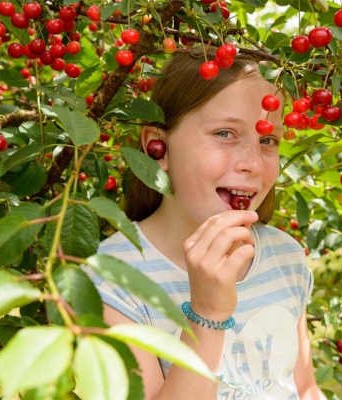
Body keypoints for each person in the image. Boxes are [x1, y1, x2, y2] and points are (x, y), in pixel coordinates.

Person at [83, 52, 327, 400]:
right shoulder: (114, 280)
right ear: (158, 148)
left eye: (268, 140)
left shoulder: (285, 257)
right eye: (225, 133)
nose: (253, 164)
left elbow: (304, 387)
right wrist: (207, 316)